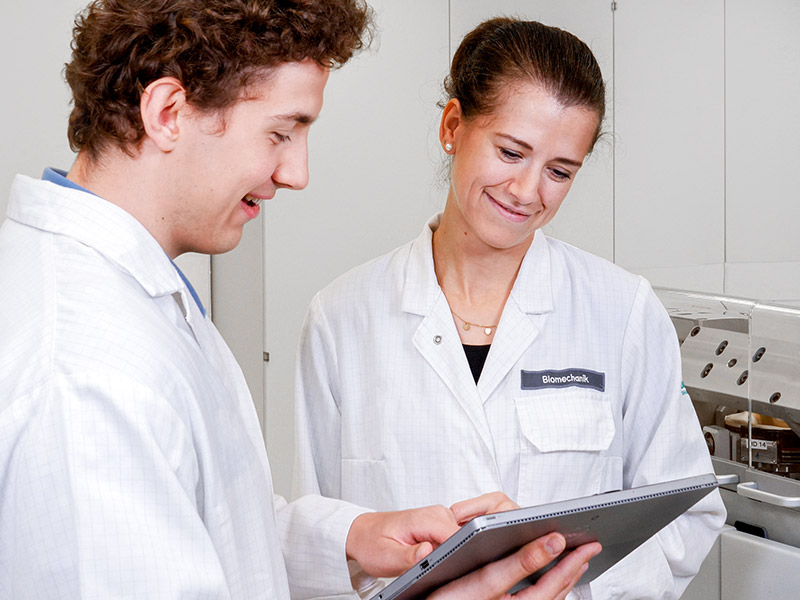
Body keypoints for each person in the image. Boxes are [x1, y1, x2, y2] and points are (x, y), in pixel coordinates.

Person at [0, 1, 602, 599]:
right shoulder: (86, 375)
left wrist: (352, 536)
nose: (297, 172)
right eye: (281, 133)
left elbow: (214, 525)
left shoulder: (128, 299)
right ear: (167, 112)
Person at [294, 16, 726, 600]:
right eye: (510, 151)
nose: (527, 190)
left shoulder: (621, 311)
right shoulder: (343, 317)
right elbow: (317, 543)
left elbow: (686, 513)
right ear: (453, 126)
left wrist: (564, 586)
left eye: (559, 171)